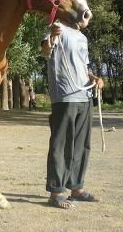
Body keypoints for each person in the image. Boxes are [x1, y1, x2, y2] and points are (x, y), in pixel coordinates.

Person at [41, 21, 104, 209]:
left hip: (84, 96)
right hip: (64, 96)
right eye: (86, 12)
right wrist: (52, 37)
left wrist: (95, 78)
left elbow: (85, 67)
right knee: (60, 144)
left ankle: (76, 188)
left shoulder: (83, 38)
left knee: (82, 145)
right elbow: (46, 49)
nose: (88, 17)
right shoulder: (57, 29)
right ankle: (56, 192)